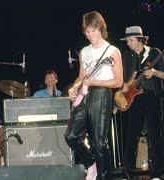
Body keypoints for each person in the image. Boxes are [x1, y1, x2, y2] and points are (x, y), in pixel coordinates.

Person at [64, 11, 123, 180]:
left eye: (93, 30)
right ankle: (92, 163)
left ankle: (105, 176)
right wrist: (74, 86)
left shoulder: (112, 51)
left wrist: (95, 82)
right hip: (85, 94)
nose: (90, 35)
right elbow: (82, 76)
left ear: (101, 28)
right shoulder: (84, 51)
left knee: (99, 142)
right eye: (87, 31)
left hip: (101, 94)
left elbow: (118, 81)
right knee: (71, 136)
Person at [120, 25, 164, 178]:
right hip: (134, 98)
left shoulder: (155, 53)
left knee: (155, 134)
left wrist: (155, 72)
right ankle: (129, 170)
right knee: (131, 134)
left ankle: (158, 171)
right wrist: (123, 86)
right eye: (127, 40)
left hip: (152, 96)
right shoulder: (126, 57)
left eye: (130, 40)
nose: (128, 43)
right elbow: (122, 80)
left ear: (139, 40)